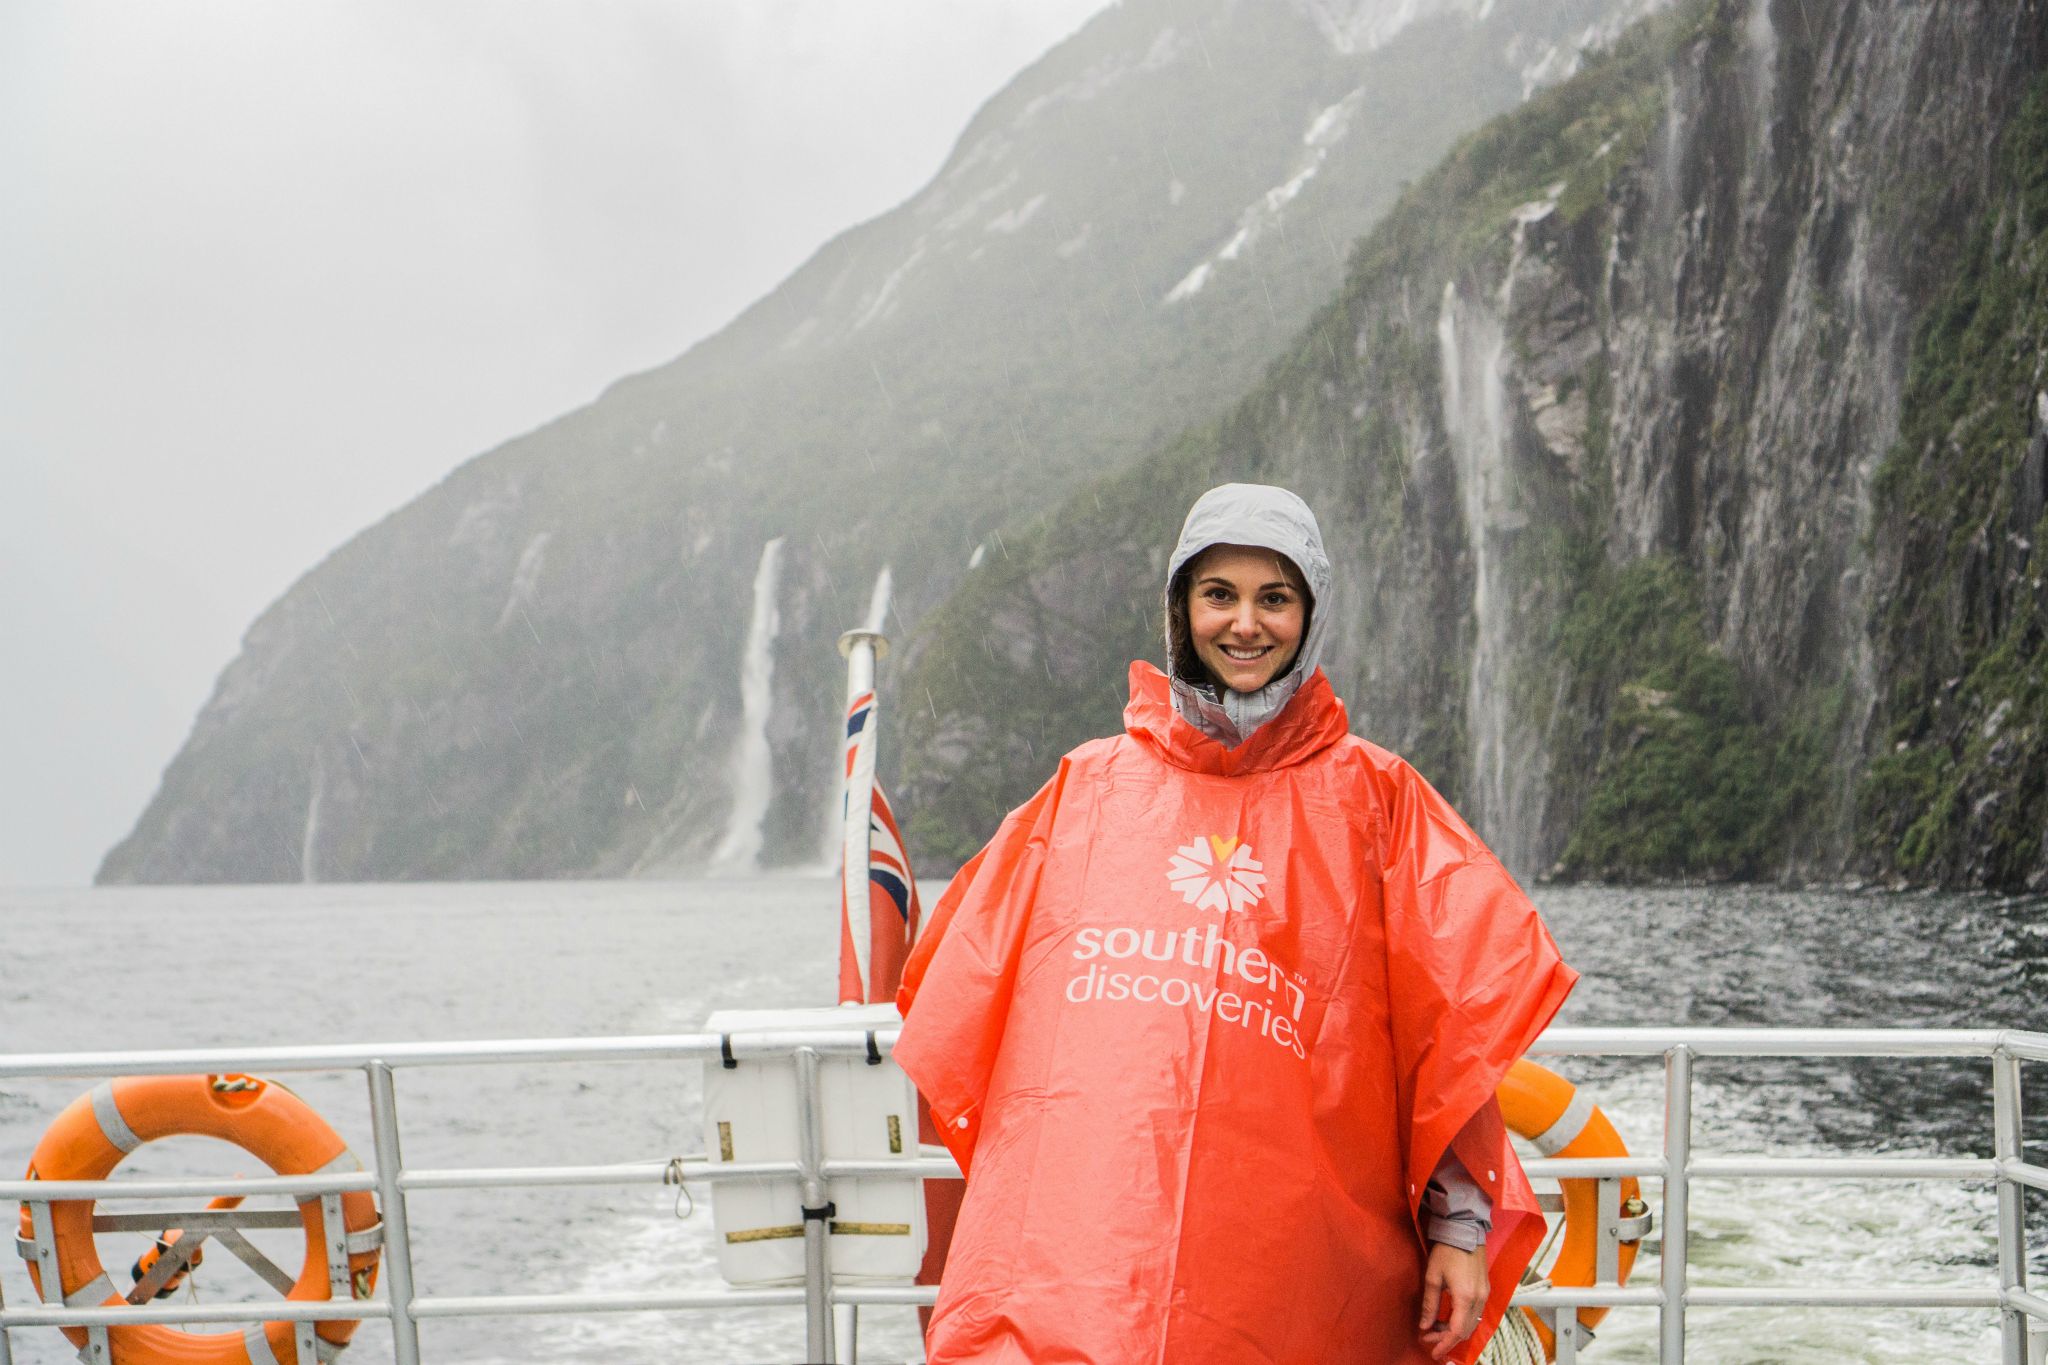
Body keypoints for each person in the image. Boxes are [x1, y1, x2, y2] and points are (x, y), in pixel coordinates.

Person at [895, 483, 1576, 1364]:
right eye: (1220, 594)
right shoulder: (1088, 791)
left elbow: (1451, 1036)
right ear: (1180, 607)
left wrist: (1461, 1225)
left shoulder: (1377, 800)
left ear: (1311, 611)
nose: (1245, 624)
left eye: (1275, 597)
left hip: (1302, 1266)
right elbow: (970, 1012)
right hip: (1099, 1260)